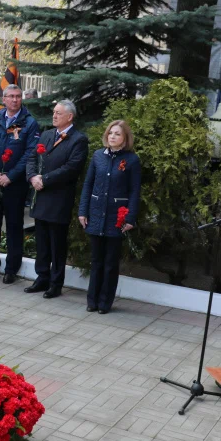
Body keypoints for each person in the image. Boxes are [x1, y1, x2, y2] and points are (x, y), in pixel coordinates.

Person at [25, 100, 89, 299]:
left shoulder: (78, 140)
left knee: (57, 244)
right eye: (53, 112)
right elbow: (32, 158)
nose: (54, 116)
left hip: (59, 198)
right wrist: (32, 176)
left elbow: (71, 168)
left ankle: (55, 282)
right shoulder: (46, 135)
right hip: (41, 195)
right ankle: (41, 277)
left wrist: (45, 179)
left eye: (58, 113)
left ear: (70, 117)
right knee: (41, 241)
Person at [0, 84, 41, 284]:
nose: (14, 100)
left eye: (18, 96)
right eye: (10, 97)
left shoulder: (29, 123)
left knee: (14, 226)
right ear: (3, 99)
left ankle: (12, 269)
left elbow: (30, 154)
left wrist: (10, 176)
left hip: (14, 184)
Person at [78, 120, 141, 314]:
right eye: (111, 133)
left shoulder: (131, 160)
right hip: (96, 214)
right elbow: (88, 184)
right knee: (96, 260)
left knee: (110, 263)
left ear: (125, 138)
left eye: (117, 134)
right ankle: (92, 300)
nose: (113, 136)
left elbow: (134, 191)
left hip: (116, 217)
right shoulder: (98, 156)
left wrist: (130, 217)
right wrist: (83, 211)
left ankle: (105, 302)